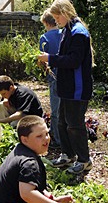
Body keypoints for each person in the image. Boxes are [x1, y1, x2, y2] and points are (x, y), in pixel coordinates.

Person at [37, 0, 94, 175]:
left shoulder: (78, 33)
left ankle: (85, 161)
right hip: (66, 86)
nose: (56, 21)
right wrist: (51, 62)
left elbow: (74, 60)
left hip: (77, 88)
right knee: (62, 122)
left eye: (57, 17)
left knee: (75, 125)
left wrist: (50, 58)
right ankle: (68, 155)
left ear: (64, 13)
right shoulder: (67, 30)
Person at [0, 115, 73, 203]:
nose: (46, 139)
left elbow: (33, 186)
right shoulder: (29, 162)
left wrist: (53, 199)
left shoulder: (19, 151)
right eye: (39, 136)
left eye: (47, 134)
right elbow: (27, 194)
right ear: (24, 140)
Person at [39, 8, 62, 148]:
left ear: (46, 23)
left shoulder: (45, 37)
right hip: (66, 71)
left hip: (53, 72)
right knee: (65, 105)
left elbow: (43, 58)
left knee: (55, 108)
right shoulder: (64, 33)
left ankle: (56, 139)